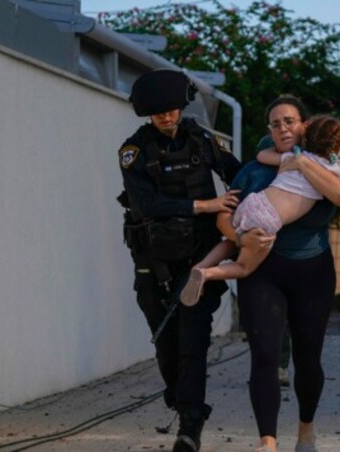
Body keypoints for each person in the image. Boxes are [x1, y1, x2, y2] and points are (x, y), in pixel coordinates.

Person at [117, 69, 241, 452]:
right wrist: (205, 204)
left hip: (198, 262)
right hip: (153, 263)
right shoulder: (133, 151)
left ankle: (189, 426)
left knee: (192, 343)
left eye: (171, 110)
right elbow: (145, 204)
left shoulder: (203, 140)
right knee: (166, 344)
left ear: (181, 106)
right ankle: (182, 398)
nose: (166, 117)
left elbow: (238, 175)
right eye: (158, 113)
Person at [221, 95, 340, 452]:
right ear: (270, 129)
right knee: (264, 355)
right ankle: (268, 442)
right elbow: (223, 214)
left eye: (290, 121)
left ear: (304, 125)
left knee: (308, 359)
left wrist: (300, 164)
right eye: (276, 123)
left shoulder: (325, 165)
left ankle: (306, 430)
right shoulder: (253, 170)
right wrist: (238, 235)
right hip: (262, 272)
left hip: (313, 272)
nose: (283, 128)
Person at [179, 115, 340, 306]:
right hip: (268, 220)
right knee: (244, 267)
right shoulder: (333, 169)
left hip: (254, 202)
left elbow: (262, 155)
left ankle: (201, 265)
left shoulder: (295, 156)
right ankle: (207, 274)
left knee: (233, 241)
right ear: (338, 147)